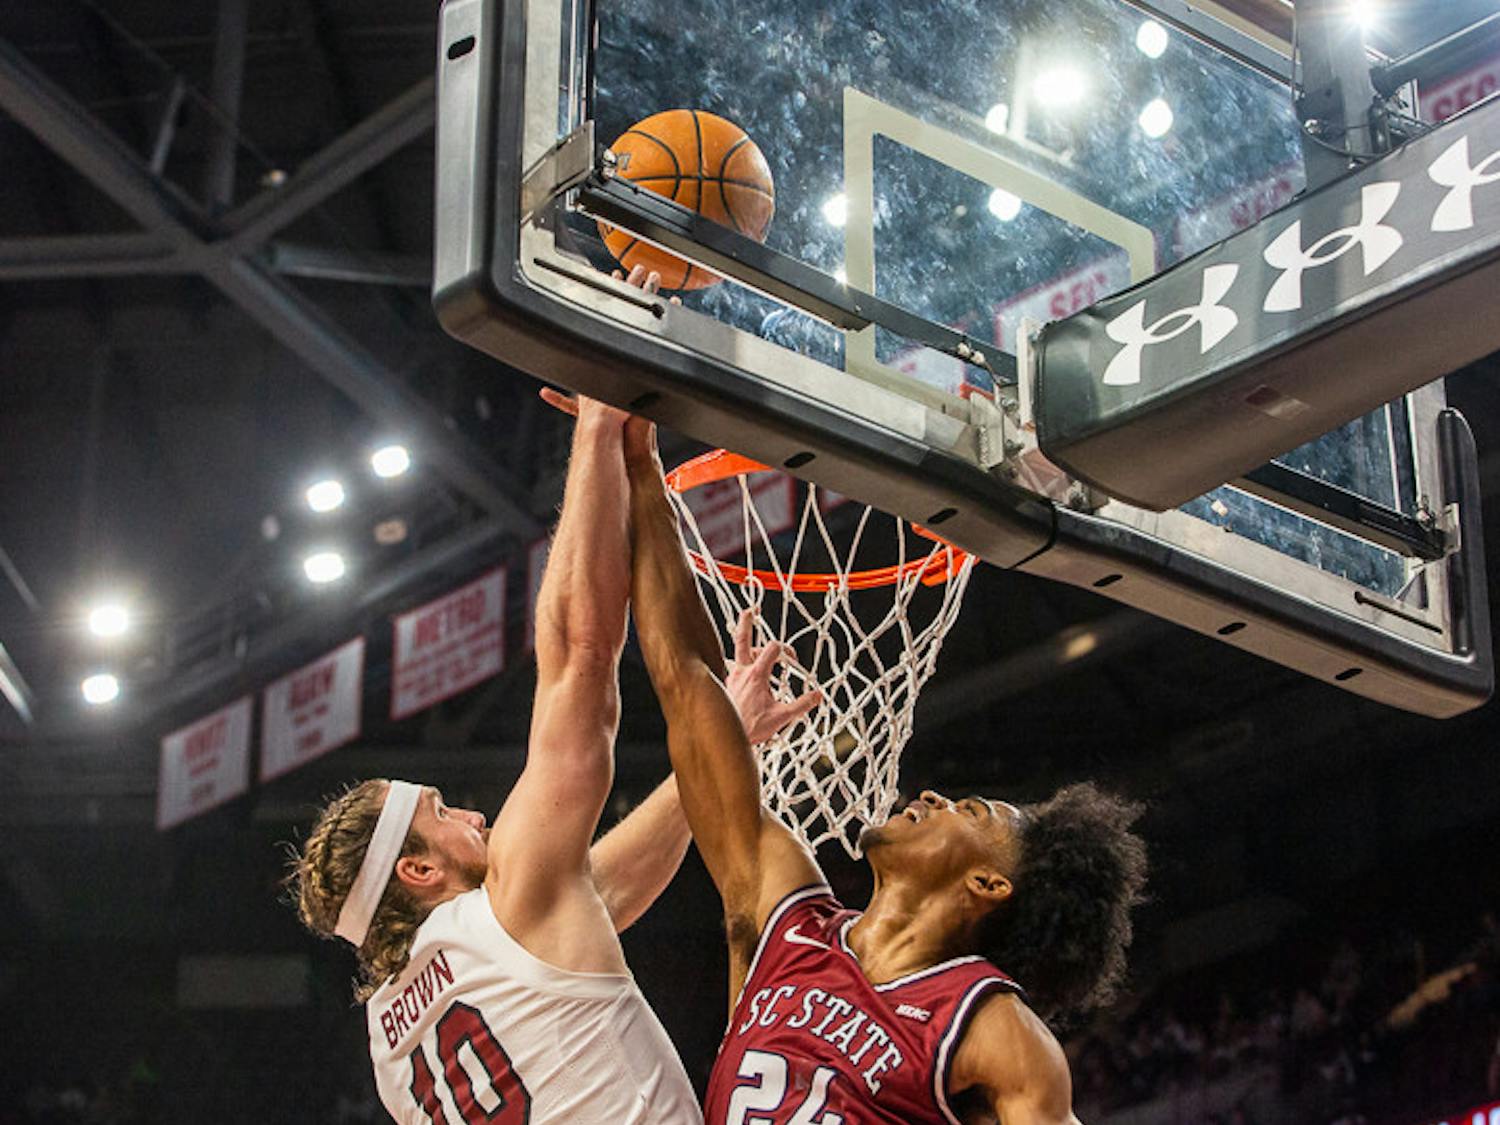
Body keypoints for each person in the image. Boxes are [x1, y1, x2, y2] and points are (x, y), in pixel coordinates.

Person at [287, 374, 817, 1125]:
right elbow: (580, 652)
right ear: (419, 869)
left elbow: (601, 893)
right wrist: (600, 422)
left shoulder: (390, 1047)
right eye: (442, 812)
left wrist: (725, 736)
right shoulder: (509, 901)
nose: (473, 813)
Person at [622, 414, 1148, 1125]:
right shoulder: (788, 917)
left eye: (972, 810)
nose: (931, 793)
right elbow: (686, 684)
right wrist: (641, 469)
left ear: (989, 883)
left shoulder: (996, 1031)